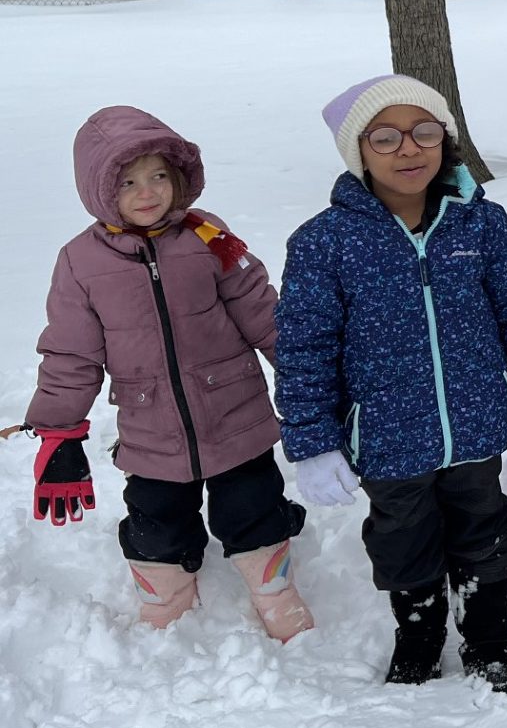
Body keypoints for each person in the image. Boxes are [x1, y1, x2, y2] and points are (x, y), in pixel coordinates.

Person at [276, 75, 507, 693]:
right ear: (359, 151)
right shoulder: (324, 242)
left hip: (473, 423)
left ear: (446, 139)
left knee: (484, 531)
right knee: (402, 537)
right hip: (385, 435)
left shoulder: (481, 225)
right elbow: (305, 349)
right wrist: (313, 442)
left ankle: (489, 642)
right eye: (385, 137)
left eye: (424, 131)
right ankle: (419, 633)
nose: (408, 149)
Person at [23, 105, 312, 641]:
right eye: (128, 181)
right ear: (100, 190)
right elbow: (71, 353)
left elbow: (260, 309)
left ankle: (275, 593)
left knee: (254, 508)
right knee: (155, 523)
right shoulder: (80, 262)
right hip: (150, 425)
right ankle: (167, 602)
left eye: (159, 175)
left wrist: (307, 372)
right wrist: (59, 429)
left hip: (236, 413)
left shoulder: (208, 235)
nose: (148, 191)